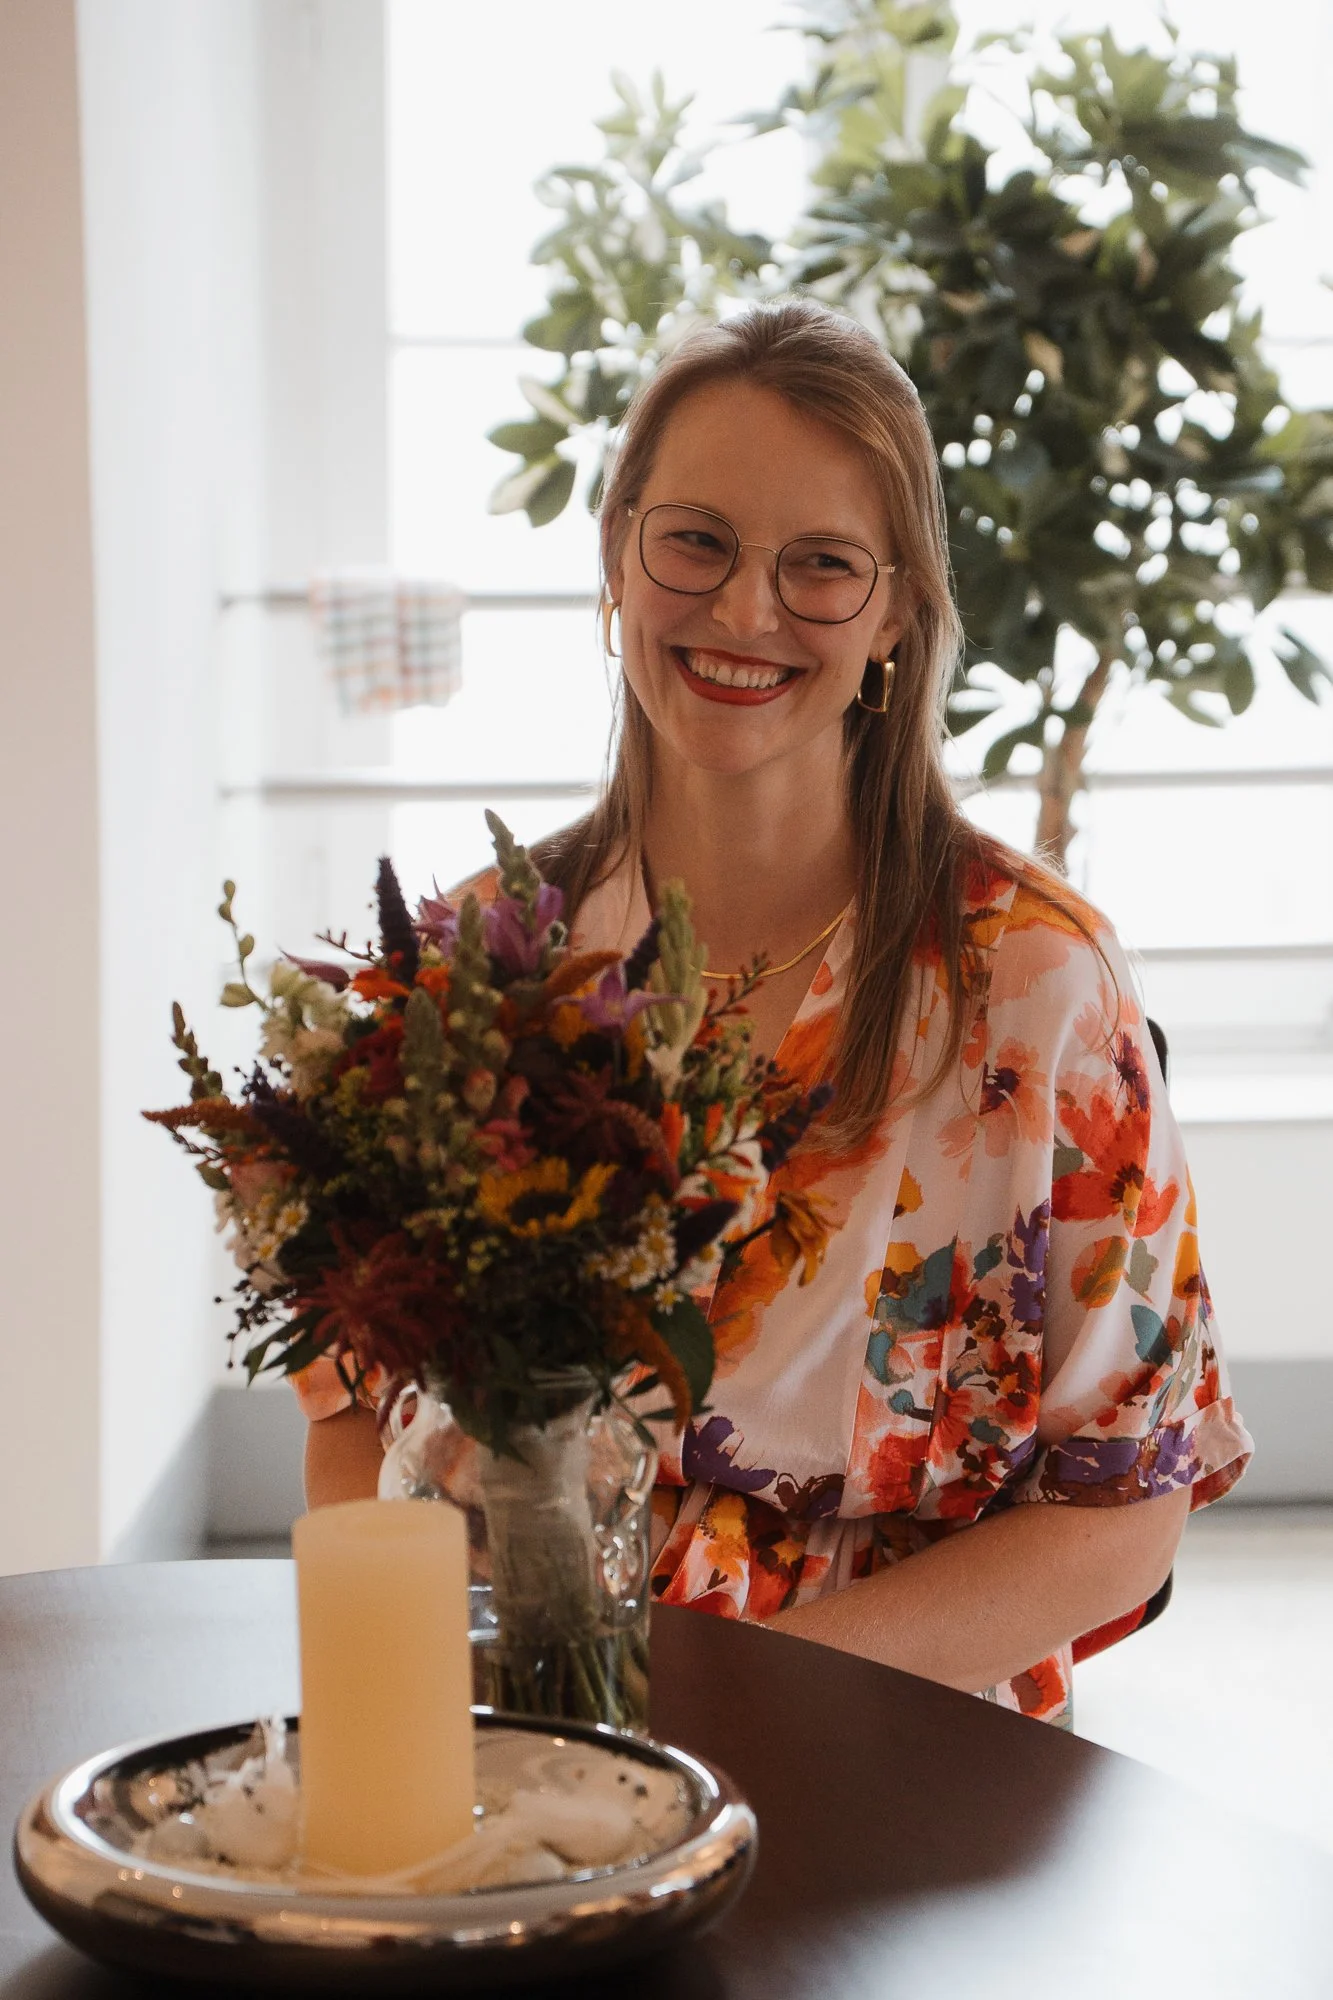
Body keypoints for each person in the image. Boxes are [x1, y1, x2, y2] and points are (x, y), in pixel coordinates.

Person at [301, 299, 1251, 1724]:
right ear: (616, 558)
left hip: (890, 1733)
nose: (746, 612)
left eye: (821, 564)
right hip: (518, 1712)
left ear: (897, 615)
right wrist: (446, 1688)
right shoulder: (472, 967)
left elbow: (1125, 1508)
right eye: (697, 540)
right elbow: (351, 1414)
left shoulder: (1041, 985)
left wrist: (718, 1715)